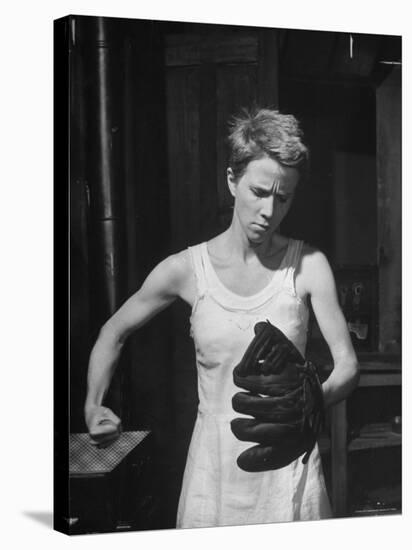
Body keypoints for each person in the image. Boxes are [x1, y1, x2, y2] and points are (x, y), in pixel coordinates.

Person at [84, 107, 359, 528]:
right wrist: (92, 405)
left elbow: (348, 368)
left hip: (290, 471)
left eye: (283, 198)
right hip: (214, 473)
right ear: (232, 181)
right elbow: (113, 332)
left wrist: (311, 399)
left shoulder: (309, 265)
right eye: (259, 191)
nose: (270, 210)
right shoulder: (186, 270)